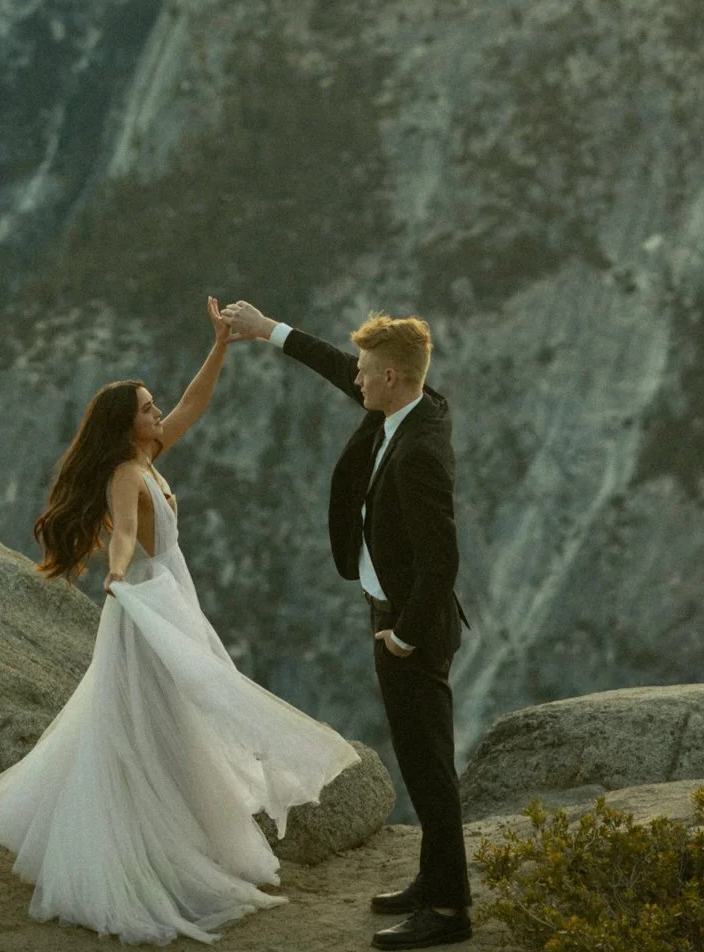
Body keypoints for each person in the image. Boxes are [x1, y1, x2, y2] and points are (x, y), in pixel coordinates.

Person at [0, 296, 358, 945]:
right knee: (158, 720)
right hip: (150, 601)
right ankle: (144, 850)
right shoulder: (127, 473)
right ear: (127, 428)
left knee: (167, 719)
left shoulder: (147, 455)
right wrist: (119, 574)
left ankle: (170, 836)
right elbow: (123, 531)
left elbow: (193, 403)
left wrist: (219, 346)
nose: (160, 413)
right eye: (148, 409)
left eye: (155, 406)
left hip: (167, 596)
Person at [223, 302, 471, 949]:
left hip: (407, 628)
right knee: (422, 762)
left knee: (428, 769)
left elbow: (442, 559)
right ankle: (432, 881)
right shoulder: (414, 404)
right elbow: (341, 366)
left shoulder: (417, 449)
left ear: (390, 378)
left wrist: (404, 634)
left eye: (365, 373)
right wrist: (267, 329)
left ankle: (447, 912)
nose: (354, 381)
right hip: (389, 613)